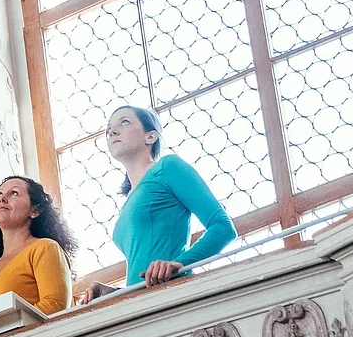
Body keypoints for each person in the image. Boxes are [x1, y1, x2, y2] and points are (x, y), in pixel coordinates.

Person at [73, 105, 235, 305]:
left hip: (174, 298)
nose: (112, 131)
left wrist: (179, 263)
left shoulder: (168, 168)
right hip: (141, 306)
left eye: (124, 122)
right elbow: (145, 278)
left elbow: (223, 228)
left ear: (151, 136)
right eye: (109, 129)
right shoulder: (129, 202)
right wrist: (113, 293)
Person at [0, 176, 73, 314]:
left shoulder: (45, 248)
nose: (2, 199)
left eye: (14, 193)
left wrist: (11, 325)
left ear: (35, 210)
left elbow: (55, 305)